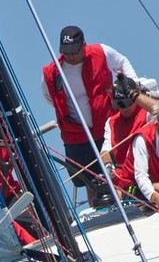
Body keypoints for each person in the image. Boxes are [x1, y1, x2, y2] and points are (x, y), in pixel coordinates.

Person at [42, 26, 137, 204]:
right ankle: (97, 211)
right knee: (88, 180)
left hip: (106, 127)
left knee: (116, 171)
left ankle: (124, 205)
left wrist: (133, 84)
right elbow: (50, 97)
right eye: (66, 52)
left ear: (83, 45)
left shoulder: (102, 52)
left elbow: (122, 62)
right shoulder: (53, 72)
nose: (70, 56)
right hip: (77, 136)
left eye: (74, 51)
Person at [100, 78, 155, 183]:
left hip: (147, 174)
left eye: (128, 102)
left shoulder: (148, 114)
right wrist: (108, 165)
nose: (125, 108)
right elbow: (105, 150)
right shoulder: (111, 122)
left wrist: (134, 95)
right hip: (123, 177)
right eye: (120, 104)